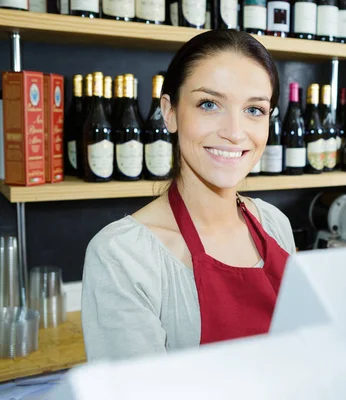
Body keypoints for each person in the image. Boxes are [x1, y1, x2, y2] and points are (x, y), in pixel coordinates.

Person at [81, 30, 295, 361]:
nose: (235, 132)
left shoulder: (275, 225)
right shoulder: (122, 256)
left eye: (254, 110)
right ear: (169, 112)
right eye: (209, 104)